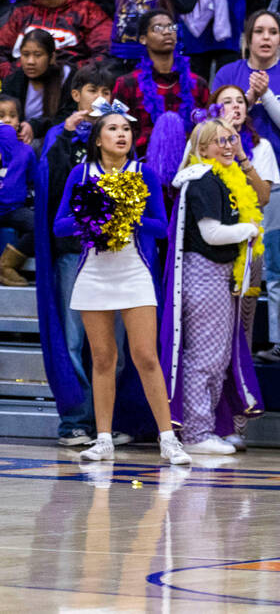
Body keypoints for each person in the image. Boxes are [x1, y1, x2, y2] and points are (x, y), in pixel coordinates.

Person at [53, 103, 191, 465]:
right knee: (102, 359)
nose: (121, 135)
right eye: (112, 129)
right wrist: (91, 216)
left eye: (126, 129)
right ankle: (102, 440)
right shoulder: (81, 174)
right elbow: (59, 225)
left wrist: (130, 216)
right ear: (98, 139)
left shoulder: (143, 174)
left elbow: (162, 226)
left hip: (134, 273)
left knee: (145, 356)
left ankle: (168, 439)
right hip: (94, 274)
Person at [212, 9, 280, 359]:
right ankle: (235, 336)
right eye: (259, 32)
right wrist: (248, 98)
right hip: (227, 180)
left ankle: (279, 341)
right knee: (234, 259)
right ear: (248, 38)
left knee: (278, 264)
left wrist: (266, 95)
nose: (265, 38)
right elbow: (219, 122)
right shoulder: (228, 73)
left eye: (272, 32)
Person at [165, 115, 264, 454]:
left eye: (231, 139)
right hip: (204, 271)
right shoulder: (203, 179)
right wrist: (247, 230)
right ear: (202, 147)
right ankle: (195, 433)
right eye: (220, 140)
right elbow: (211, 233)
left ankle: (205, 427)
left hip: (220, 274)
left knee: (219, 357)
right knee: (204, 357)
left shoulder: (225, 178)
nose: (227, 145)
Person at [36, 62, 116, 446]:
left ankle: (106, 421)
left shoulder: (117, 131)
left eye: (107, 92)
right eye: (93, 91)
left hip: (114, 255)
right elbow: (50, 190)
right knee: (73, 339)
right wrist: (68, 138)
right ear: (75, 95)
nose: (101, 99)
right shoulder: (59, 134)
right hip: (72, 251)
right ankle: (75, 421)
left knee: (110, 344)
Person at [212, 82, 277, 449]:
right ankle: (204, 417)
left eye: (240, 101)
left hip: (248, 254)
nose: (235, 106)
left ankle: (236, 422)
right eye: (226, 101)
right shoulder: (202, 146)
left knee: (242, 337)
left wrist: (241, 156)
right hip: (208, 254)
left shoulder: (260, 147)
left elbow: (264, 197)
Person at [113, 9, 210, 156]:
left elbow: (209, 129)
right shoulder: (127, 84)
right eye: (158, 28)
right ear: (143, 39)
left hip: (190, 163)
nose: (167, 32)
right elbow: (114, 130)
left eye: (171, 27)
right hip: (142, 164)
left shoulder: (197, 84)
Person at [2, 28, 72, 143]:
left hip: (57, 138)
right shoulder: (13, 80)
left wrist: (35, 127)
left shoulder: (67, 76)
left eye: (38, 55)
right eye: (25, 54)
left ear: (52, 57)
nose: (30, 61)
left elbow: (67, 116)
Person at [0, 96, 33, 285]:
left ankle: (7, 266)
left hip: (15, 209)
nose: (6, 120)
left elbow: (33, 179)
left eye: (11, 116)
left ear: (19, 121)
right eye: (0, 115)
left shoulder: (26, 151)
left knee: (38, 225)